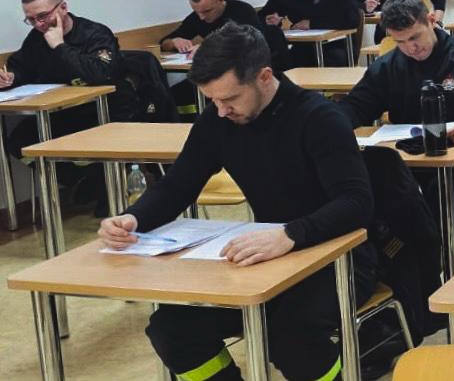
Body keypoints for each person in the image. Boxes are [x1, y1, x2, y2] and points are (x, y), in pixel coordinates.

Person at [98, 22, 375, 381]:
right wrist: (133, 218)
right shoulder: (218, 121)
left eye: (229, 99)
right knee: (173, 326)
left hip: (339, 258)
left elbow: (356, 204)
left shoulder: (319, 118)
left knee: (289, 335)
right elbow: (178, 185)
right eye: (212, 100)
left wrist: (290, 234)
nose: (221, 110)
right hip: (264, 259)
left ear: (264, 77)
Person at [337, 0, 454, 235]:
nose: (411, 48)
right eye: (400, 42)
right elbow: (357, 106)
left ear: (431, 20)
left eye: (415, 37)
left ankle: (436, 250)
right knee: (367, 205)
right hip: (403, 161)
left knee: (435, 211)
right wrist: (331, 126)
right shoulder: (388, 66)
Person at [0, 0, 138, 158]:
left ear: (63, 8)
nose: (39, 24)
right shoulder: (36, 38)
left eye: (43, 16)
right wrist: (10, 77)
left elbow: (99, 74)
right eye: (31, 20)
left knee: (85, 148)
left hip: (105, 109)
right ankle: (62, 175)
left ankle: (86, 174)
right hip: (64, 112)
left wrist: (59, 46)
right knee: (20, 141)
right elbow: (21, 66)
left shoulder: (95, 33)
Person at [260, 0, 361, 67]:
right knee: (283, 62)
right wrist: (271, 21)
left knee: (332, 60)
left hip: (337, 45)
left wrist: (312, 24)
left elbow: (353, 19)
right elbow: (262, 16)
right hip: (304, 47)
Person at [159, 0, 260, 53]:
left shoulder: (243, 10)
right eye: (196, 11)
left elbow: (254, 43)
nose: (202, 17)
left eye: (207, 11)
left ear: (220, 0)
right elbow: (163, 43)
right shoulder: (196, 17)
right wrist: (174, 42)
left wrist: (209, 47)